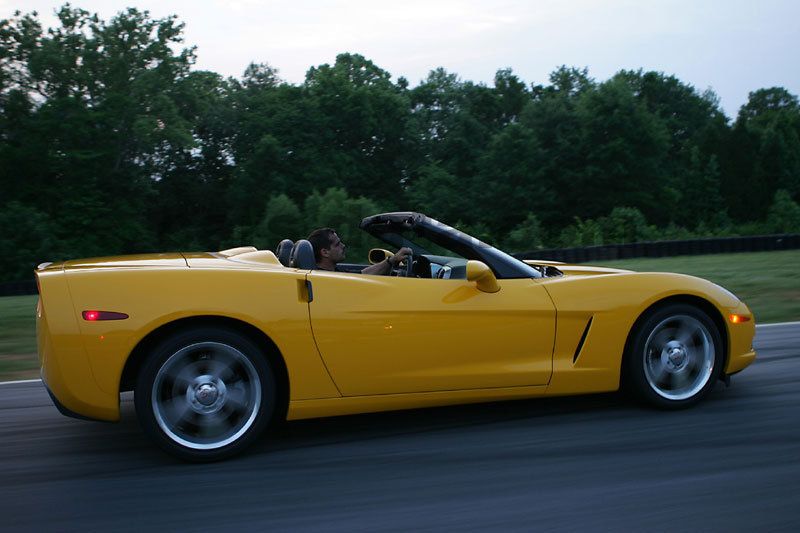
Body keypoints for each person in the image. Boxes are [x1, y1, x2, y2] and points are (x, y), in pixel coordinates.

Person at [307, 227, 412, 275]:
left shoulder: (333, 273)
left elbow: (363, 274)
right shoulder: (325, 280)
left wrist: (391, 260)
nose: (343, 246)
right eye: (338, 244)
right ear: (325, 252)